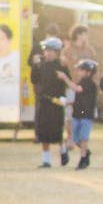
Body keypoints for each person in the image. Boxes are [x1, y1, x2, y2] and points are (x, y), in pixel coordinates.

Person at [31, 37, 75, 168]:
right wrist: (34, 65)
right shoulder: (40, 65)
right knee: (43, 131)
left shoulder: (61, 66)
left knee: (56, 130)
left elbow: (67, 81)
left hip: (56, 102)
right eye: (46, 51)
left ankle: (62, 150)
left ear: (57, 52)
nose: (48, 53)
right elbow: (34, 80)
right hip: (43, 101)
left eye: (51, 51)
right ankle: (46, 160)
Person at [70, 58, 98, 169]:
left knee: (83, 137)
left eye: (81, 70)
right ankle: (86, 152)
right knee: (76, 139)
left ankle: (83, 158)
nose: (79, 72)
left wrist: (65, 78)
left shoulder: (90, 83)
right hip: (77, 113)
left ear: (88, 72)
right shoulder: (81, 82)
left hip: (86, 114)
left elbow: (77, 89)